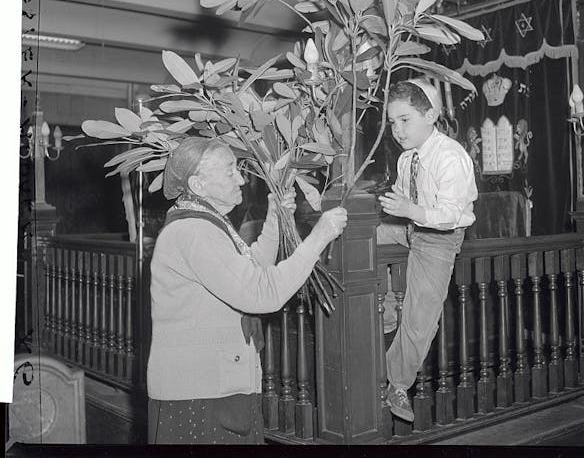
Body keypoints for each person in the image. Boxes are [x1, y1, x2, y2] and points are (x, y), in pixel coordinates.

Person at [147, 137, 347, 444]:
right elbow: (261, 293)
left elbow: (251, 267)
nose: (241, 178)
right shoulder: (193, 232)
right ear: (198, 185)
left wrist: (276, 217)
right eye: (229, 171)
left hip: (212, 388)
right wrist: (318, 237)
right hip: (201, 396)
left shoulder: (206, 223)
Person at [377, 78, 478, 422]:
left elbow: (450, 214)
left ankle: (397, 383)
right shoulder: (408, 159)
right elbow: (401, 204)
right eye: (392, 122)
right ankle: (386, 310)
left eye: (405, 119)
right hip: (410, 229)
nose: (397, 129)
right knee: (362, 239)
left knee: (421, 316)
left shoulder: (451, 156)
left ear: (431, 115)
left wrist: (411, 211)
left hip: (440, 237)